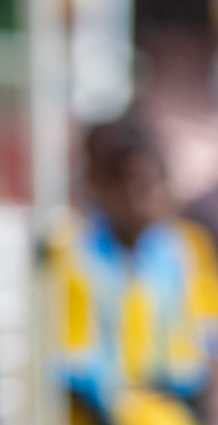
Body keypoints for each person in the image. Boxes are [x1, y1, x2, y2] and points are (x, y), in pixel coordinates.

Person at [56, 115, 218, 425]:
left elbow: (206, 339)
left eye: (148, 187)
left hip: (176, 407)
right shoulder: (75, 253)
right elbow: (74, 363)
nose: (138, 201)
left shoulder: (186, 250)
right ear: (101, 187)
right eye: (125, 187)